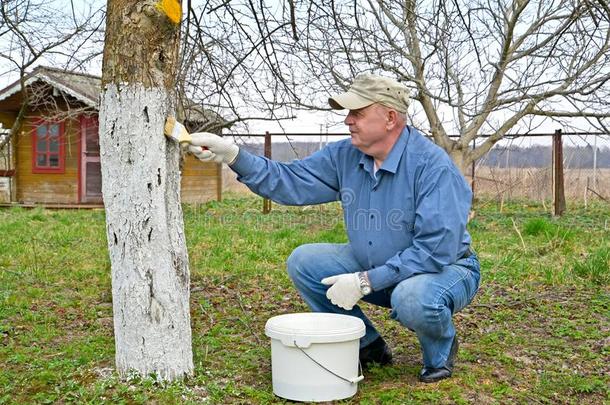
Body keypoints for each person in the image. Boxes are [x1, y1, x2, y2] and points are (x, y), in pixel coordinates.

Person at [186, 74, 481, 383]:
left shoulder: (432, 167)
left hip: (444, 270)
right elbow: (292, 181)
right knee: (306, 262)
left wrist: (365, 281)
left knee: (412, 297)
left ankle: (440, 350)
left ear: (390, 118)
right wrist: (234, 156)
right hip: (378, 265)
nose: (347, 120)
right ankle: (368, 346)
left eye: (358, 112)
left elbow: (435, 250)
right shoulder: (346, 156)